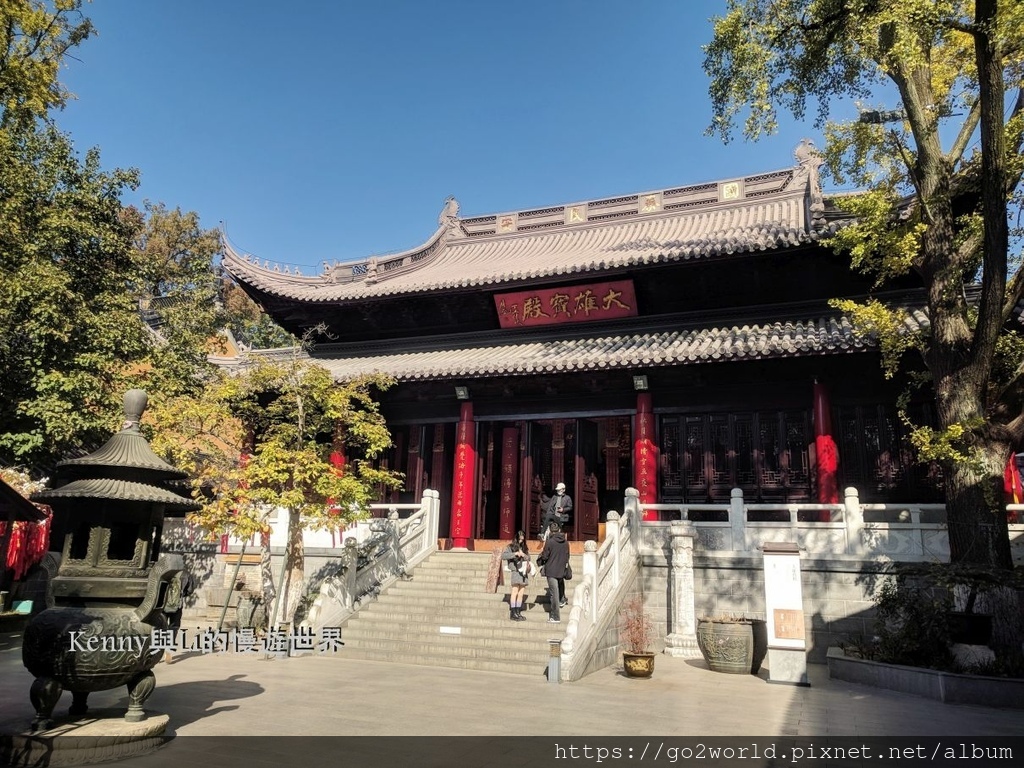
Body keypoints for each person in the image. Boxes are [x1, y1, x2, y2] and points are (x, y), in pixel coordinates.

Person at [537, 522, 570, 623]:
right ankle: (562, 599)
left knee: (553, 594)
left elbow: (545, 556)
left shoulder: (550, 542)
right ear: (559, 530)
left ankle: (555, 616)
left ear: (551, 531)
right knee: (558, 587)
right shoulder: (566, 542)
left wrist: (541, 556)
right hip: (561, 569)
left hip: (551, 570)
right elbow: (568, 556)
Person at [501, 530, 531, 621]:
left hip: (524, 571)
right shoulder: (510, 547)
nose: (521, 541)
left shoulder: (525, 547)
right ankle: (513, 612)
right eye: (520, 539)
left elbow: (529, 558)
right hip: (515, 570)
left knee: (521, 592)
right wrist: (515, 554)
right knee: (515, 591)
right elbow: (503, 556)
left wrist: (524, 555)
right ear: (516, 538)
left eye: (523, 539)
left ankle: (518, 611)